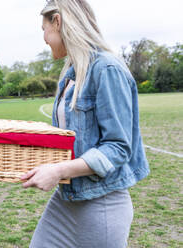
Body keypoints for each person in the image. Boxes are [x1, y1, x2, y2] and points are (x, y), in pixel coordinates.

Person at [21, 1, 150, 247]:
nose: (45, 38)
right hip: (67, 198)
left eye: (43, 29)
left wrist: (58, 171)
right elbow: (70, 141)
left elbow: (118, 148)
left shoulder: (107, 68)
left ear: (57, 22)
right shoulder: (71, 72)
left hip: (102, 203)